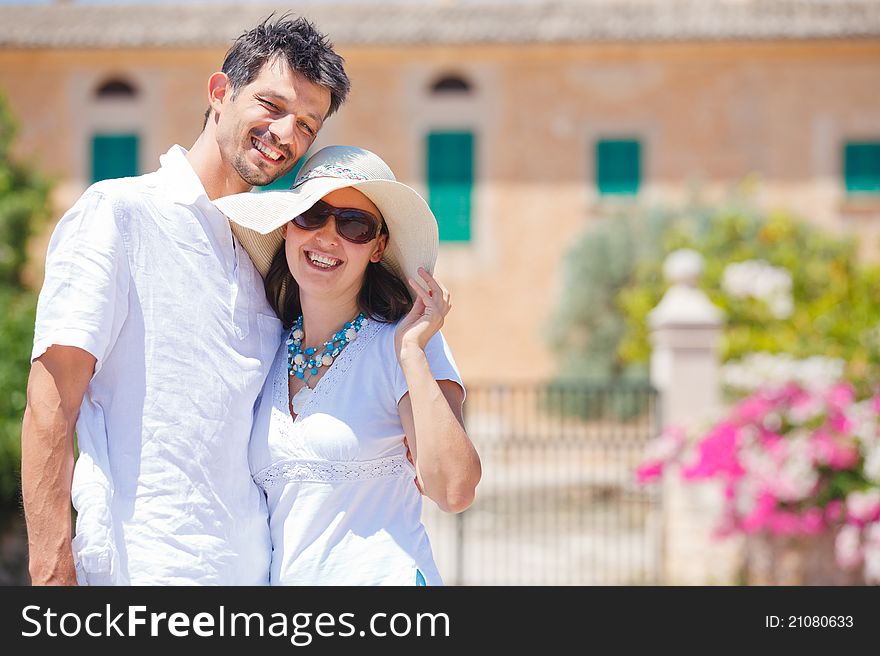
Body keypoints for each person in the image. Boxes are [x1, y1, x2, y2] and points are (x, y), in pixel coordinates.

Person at [21, 16, 351, 585]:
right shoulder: (119, 214)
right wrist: (53, 578)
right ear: (220, 93)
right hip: (139, 573)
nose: (285, 133)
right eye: (270, 105)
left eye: (306, 124)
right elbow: (51, 403)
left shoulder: (267, 256)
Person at [213, 145, 482, 585]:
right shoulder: (265, 351)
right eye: (312, 215)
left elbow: (453, 490)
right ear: (287, 228)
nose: (327, 236)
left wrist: (412, 352)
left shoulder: (403, 344)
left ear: (377, 247)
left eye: (354, 225)